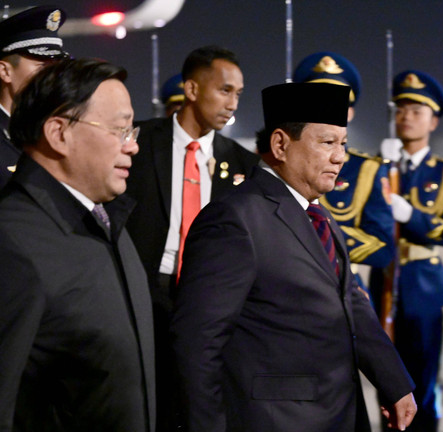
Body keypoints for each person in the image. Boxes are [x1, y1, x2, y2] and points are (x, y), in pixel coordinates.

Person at [171, 82, 417, 432]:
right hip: (276, 419)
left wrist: (394, 381)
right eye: (327, 142)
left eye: (343, 144)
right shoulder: (234, 218)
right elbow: (198, 343)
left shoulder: (319, 214)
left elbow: (348, 301)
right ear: (280, 145)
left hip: (339, 412)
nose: (340, 156)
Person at [0, 58, 155, 431]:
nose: (132, 147)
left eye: (132, 131)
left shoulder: (107, 221)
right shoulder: (13, 244)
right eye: (119, 131)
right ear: (59, 133)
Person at [125, 44, 259, 431]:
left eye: (238, 93)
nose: (233, 102)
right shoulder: (140, 144)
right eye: (225, 90)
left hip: (208, 303)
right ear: (192, 89)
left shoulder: (241, 163)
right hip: (144, 294)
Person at [374, 69, 443, 432]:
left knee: (423, 384)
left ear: (434, 120)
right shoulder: (378, 168)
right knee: (386, 384)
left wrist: (409, 214)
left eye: (416, 110)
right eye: (400, 109)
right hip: (384, 282)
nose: (406, 117)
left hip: (424, 288)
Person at [292, 51, 395, 291]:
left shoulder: (366, 170)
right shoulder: (279, 160)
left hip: (341, 286)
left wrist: (316, 233)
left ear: (350, 112)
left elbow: (383, 249)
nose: (326, 107)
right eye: (316, 99)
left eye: (336, 100)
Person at [0, 5, 69, 189]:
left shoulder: (57, 131)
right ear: (5, 71)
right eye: (42, 68)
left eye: (56, 68)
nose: (53, 77)